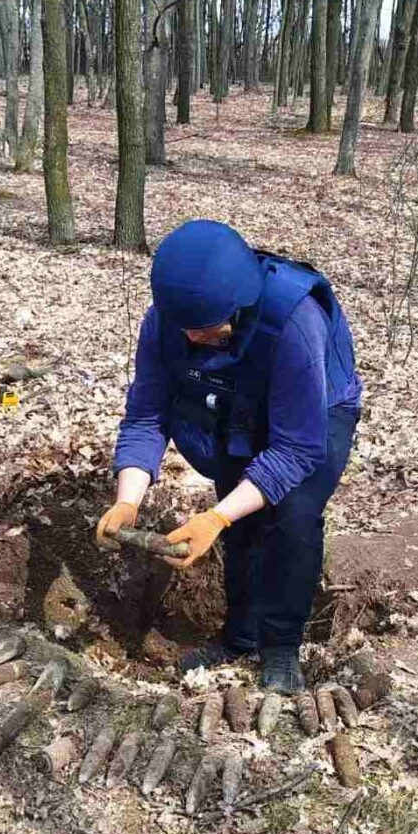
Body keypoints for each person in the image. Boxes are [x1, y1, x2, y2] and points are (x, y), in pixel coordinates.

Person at [95, 219, 362, 694]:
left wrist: (215, 517)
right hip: (237, 399)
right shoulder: (166, 323)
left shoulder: (295, 322)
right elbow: (146, 415)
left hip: (316, 410)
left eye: (205, 329)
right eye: (186, 331)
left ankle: (281, 647)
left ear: (238, 306)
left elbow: (297, 446)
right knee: (241, 516)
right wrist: (128, 500)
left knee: (293, 517)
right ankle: (239, 636)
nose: (193, 339)